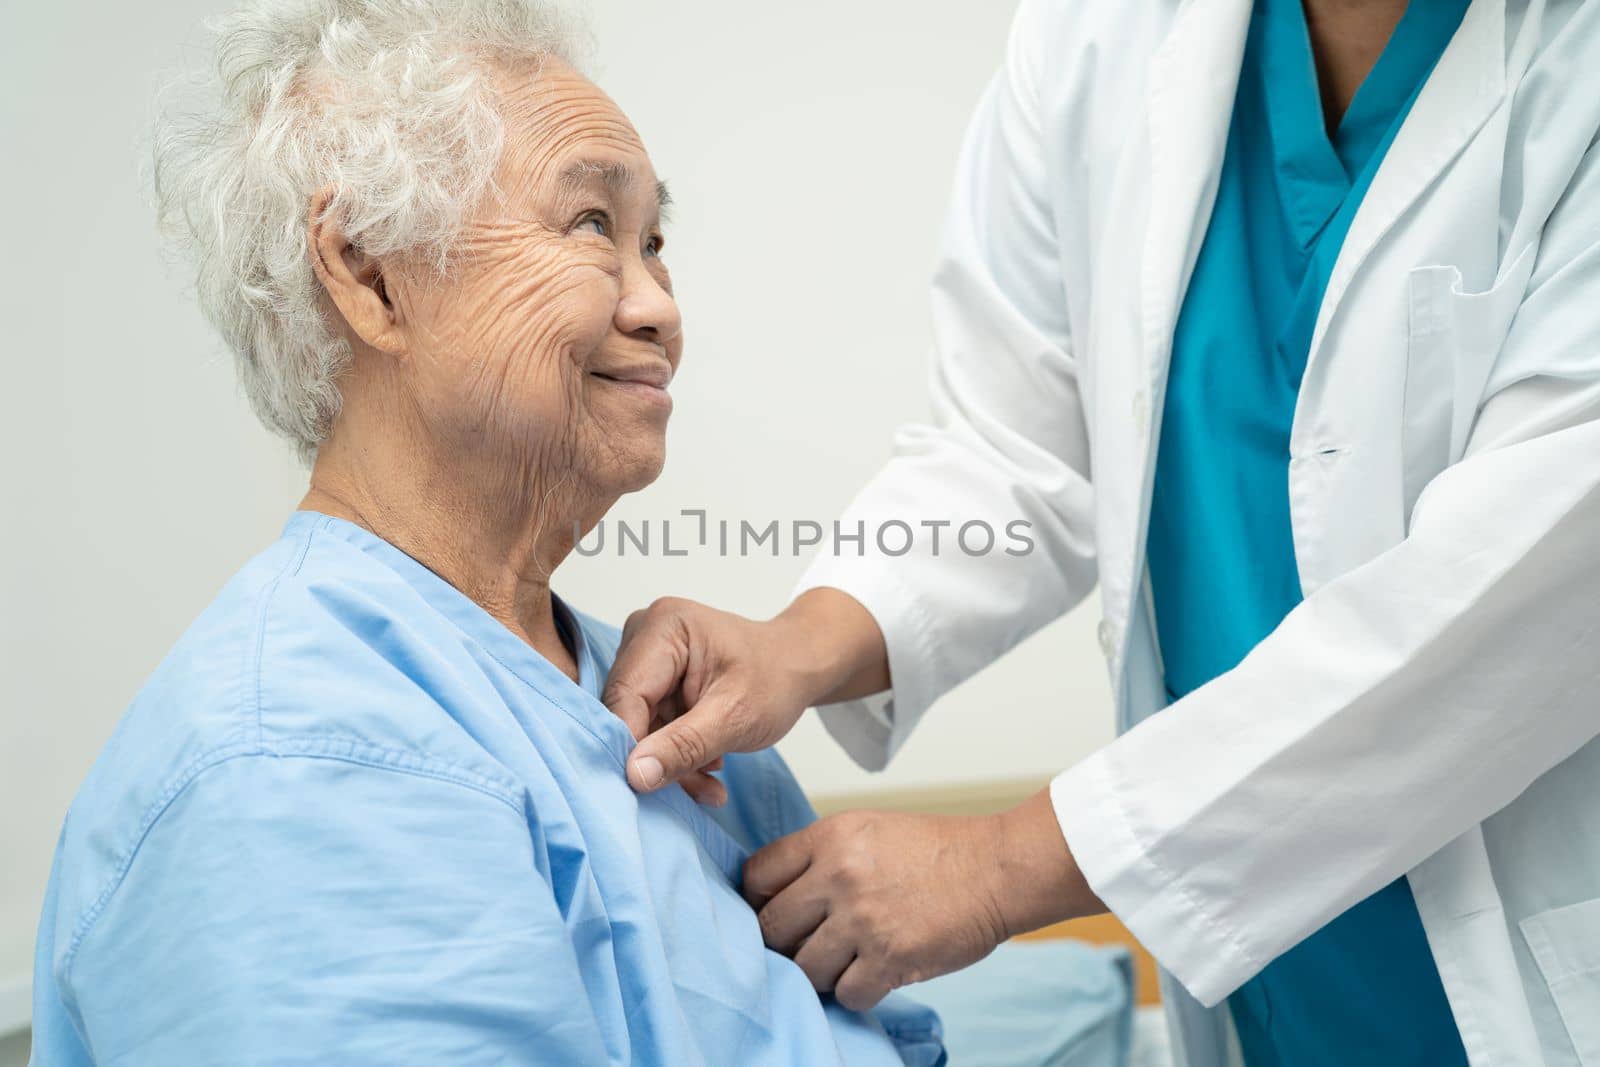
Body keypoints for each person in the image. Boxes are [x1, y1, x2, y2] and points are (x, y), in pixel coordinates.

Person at [605, 0, 1600, 1063]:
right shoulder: (1102, 35)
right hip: (1273, 993)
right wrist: (799, 643)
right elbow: (1010, 448)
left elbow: (1515, 601)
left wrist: (994, 866)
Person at [28, 3, 946, 1063]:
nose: (658, 306)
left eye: (656, 240)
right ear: (371, 273)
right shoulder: (292, 764)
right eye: (592, 226)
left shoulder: (680, 714)